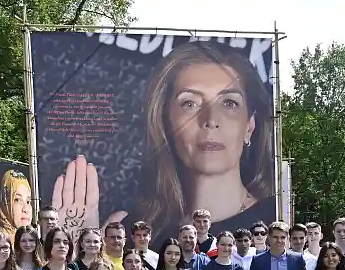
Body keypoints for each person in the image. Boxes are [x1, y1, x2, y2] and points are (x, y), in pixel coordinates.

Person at [52, 41, 276, 245]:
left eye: (229, 103)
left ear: (250, 126)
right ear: (165, 122)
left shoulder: (274, 221)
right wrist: (79, 247)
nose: (210, 121)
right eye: (189, 103)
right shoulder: (129, 229)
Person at [0, 170, 33, 239]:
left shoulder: (34, 243)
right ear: (6, 203)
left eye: (28, 201)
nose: (26, 209)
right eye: (17, 200)